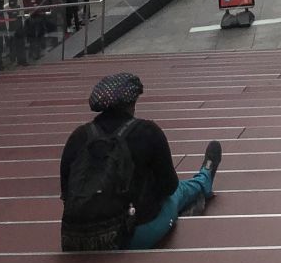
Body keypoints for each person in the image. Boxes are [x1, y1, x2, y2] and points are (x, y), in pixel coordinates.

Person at [60, 72, 222, 251]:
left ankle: (202, 181)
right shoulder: (147, 132)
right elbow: (169, 187)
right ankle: (203, 180)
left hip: (73, 239)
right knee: (177, 194)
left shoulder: (78, 137)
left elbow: (67, 194)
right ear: (133, 101)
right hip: (127, 237)